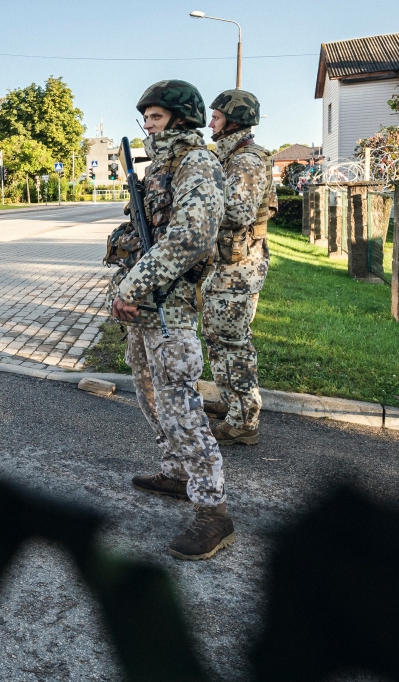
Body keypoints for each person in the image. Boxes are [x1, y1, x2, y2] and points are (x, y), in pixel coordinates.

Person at [105, 79, 233, 561]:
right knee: (149, 392)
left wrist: (133, 285)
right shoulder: (159, 164)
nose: (147, 125)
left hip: (169, 306)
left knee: (180, 403)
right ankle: (178, 473)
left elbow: (193, 237)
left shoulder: (197, 162)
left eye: (155, 117)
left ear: (180, 118)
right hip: (143, 306)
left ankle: (213, 512)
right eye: (146, 118)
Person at [201, 89, 276, 446]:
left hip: (238, 268)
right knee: (217, 338)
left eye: (216, 117)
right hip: (229, 265)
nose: (210, 123)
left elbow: (237, 212)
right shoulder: (232, 157)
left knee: (232, 342)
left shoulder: (245, 160)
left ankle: (245, 422)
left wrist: (199, 201)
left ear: (233, 120)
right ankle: (232, 402)